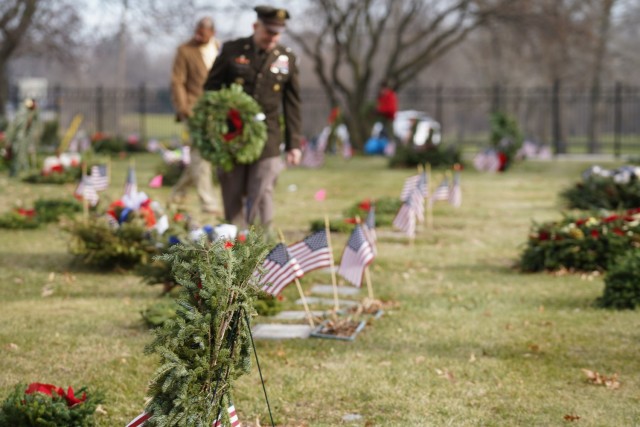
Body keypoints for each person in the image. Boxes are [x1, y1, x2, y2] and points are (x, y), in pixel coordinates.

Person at [203, 5, 302, 230]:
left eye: (277, 33)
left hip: (269, 135)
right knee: (232, 190)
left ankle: (260, 247)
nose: (272, 37)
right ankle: (234, 243)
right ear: (256, 26)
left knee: (263, 190)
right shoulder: (231, 50)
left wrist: (294, 144)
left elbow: (293, 103)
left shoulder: (287, 58)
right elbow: (211, 90)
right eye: (268, 31)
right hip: (233, 134)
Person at [168, 17, 222, 215]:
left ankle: (177, 193)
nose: (198, 36)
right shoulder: (185, 50)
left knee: (205, 155)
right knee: (200, 153)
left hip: (215, 111)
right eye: (197, 31)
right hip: (193, 110)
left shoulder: (218, 47)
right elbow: (177, 81)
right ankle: (208, 201)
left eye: (203, 33)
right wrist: (184, 108)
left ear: (212, 32)